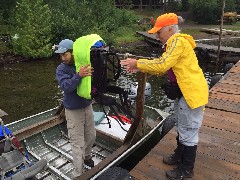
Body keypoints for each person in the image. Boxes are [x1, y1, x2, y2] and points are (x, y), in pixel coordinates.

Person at [121, 13, 208, 179]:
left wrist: (137, 63)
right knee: (182, 126)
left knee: (189, 130)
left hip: (191, 95)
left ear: (169, 29)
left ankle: (186, 170)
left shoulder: (177, 41)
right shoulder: (175, 43)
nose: (156, 35)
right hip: (185, 94)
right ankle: (178, 156)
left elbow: (162, 64)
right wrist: (141, 67)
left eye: (158, 32)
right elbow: (164, 64)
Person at [54, 39, 96, 178]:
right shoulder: (61, 68)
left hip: (87, 105)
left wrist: (93, 72)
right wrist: (78, 76)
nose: (62, 58)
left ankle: (88, 156)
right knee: (77, 143)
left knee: (91, 135)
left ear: (73, 52)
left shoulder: (83, 62)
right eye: (61, 55)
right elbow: (66, 86)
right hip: (73, 110)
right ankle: (78, 174)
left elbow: (91, 82)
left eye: (65, 54)